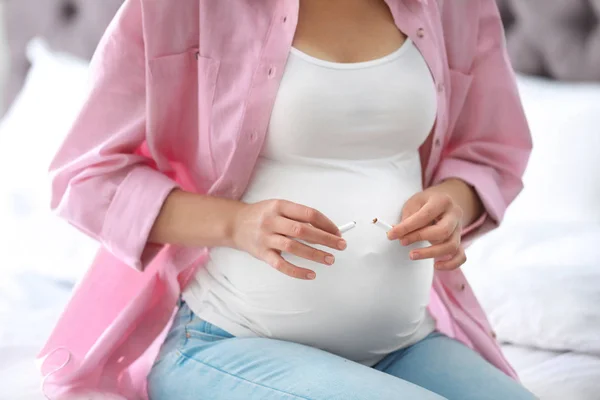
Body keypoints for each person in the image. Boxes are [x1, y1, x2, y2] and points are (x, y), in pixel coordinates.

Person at [39, 0, 535, 399]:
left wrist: (455, 201)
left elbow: (489, 151)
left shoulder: (457, 7)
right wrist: (237, 224)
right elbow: (87, 176)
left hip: (404, 344)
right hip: (230, 344)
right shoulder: (181, 7)